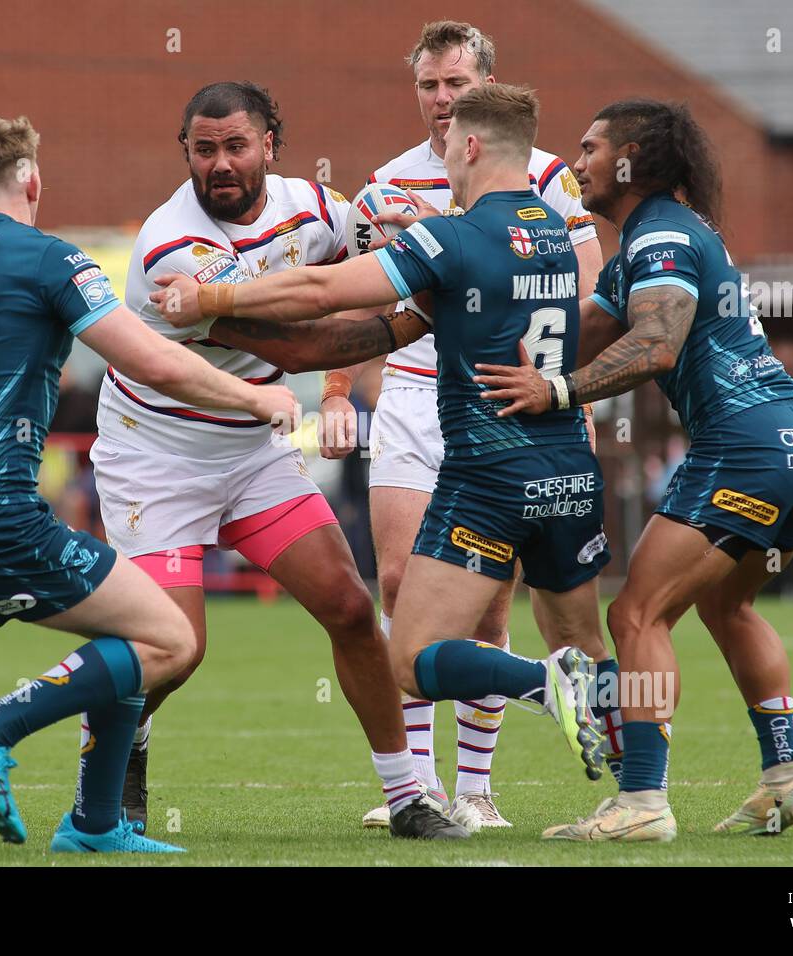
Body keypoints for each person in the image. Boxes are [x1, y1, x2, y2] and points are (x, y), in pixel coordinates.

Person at [153, 84, 610, 802]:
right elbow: (585, 312)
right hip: (561, 454)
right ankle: (642, 793)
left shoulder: (451, 236)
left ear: (468, 146)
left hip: (486, 462)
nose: (438, 111)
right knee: (615, 627)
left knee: (411, 656)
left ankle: (531, 699)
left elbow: (319, 297)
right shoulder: (551, 227)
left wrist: (212, 298)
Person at [0, 114, 296, 855]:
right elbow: (151, 360)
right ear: (32, 180)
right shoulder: (51, 261)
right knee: (171, 640)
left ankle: (94, 824)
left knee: (134, 626)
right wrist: (258, 398)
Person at [93, 82, 458, 840]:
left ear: (270, 145)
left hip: (250, 450)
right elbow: (296, 344)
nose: (220, 163)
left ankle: (407, 797)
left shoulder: (320, 207)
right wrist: (414, 320)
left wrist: (418, 249)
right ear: (185, 153)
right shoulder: (171, 249)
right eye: (204, 149)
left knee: (353, 608)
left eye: (236, 146)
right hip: (158, 455)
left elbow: (365, 276)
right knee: (174, 650)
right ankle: (118, 760)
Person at [471, 99, 793, 841]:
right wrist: (478, 301)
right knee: (727, 608)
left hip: (745, 448)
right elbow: (584, 327)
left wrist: (558, 391)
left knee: (635, 614)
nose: (576, 163)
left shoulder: (661, 233)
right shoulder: (661, 234)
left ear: (634, 156)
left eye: (590, 147)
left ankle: (641, 801)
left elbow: (657, 343)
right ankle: (786, 777)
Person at [318, 19, 612, 831]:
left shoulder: (547, 177)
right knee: (403, 581)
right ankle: (418, 788)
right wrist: (339, 392)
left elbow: (590, 299)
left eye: (456, 85)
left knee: (487, 607)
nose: (442, 101)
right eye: (428, 85)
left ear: (486, 86)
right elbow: (357, 298)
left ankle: (478, 788)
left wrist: (569, 396)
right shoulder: (384, 185)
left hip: (508, 398)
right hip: (415, 394)